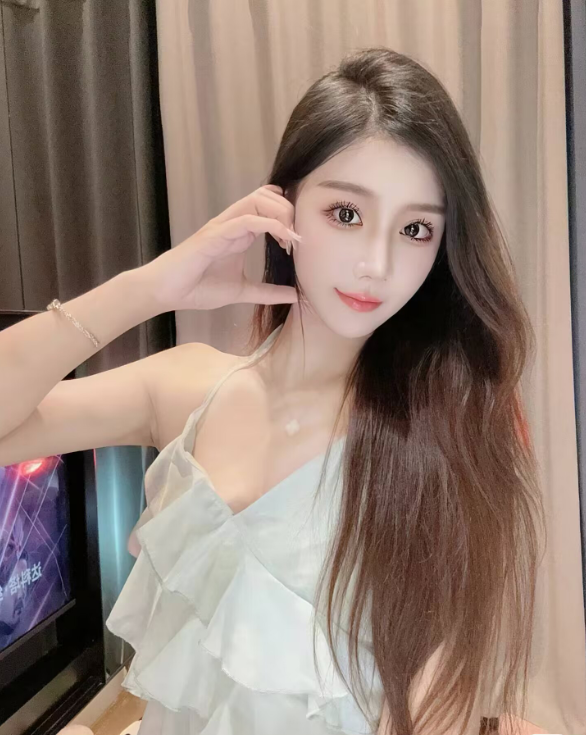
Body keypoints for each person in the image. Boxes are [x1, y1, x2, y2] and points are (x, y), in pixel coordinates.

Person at [0, 48, 546, 735]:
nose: (376, 263)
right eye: (346, 212)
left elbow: (434, 710)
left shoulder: (446, 434)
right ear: (282, 208)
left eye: (415, 229)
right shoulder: (188, 387)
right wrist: (150, 287)